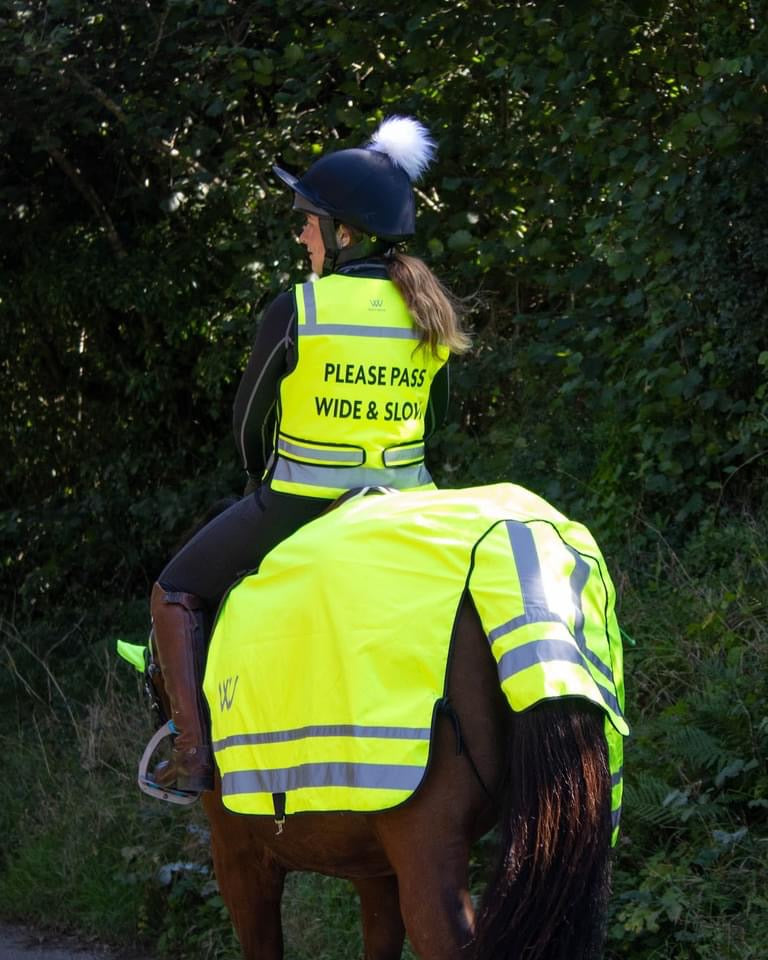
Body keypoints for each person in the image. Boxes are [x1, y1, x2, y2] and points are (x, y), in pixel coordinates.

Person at [149, 115, 471, 793]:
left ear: (343, 234)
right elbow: (436, 417)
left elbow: (249, 424)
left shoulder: (300, 308)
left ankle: (190, 753)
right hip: (413, 505)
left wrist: (256, 480)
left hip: (301, 502)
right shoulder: (429, 310)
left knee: (174, 591)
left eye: (307, 222)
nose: (301, 235)